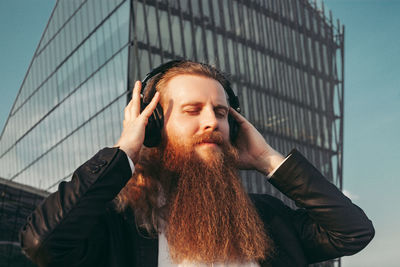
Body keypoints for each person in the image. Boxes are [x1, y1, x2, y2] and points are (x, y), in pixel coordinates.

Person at [19, 60, 374, 267]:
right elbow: (44, 243)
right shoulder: (118, 223)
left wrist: (268, 160)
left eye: (221, 113)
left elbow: (352, 231)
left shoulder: (266, 218)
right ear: (153, 126)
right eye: (193, 110)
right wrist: (125, 150)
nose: (212, 122)